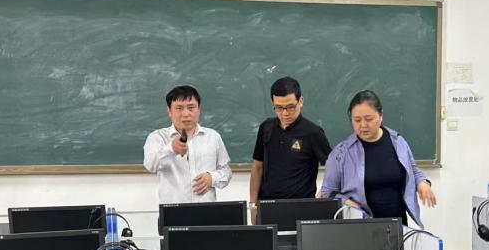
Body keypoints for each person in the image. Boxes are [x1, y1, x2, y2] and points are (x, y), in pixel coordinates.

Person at [320, 90, 436, 228]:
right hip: (360, 228)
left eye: (369, 119)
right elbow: (327, 193)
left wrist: (422, 183)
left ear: (381, 116)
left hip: (398, 226)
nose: (363, 125)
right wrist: (345, 201)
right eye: (357, 120)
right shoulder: (341, 153)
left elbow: (412, 169)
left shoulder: (398, 142)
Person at [249, 77, 332, 220]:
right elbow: (257, 167)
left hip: (301, 210)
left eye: (290, 107)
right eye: (279, 108)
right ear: (272, 103)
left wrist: (322, 195)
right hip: (267, 208)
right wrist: (252, 204)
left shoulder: (313, 132)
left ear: (301, 101)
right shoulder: (266, 128)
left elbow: (334, 168)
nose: (285, 113)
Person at [143, 85, 231, 204]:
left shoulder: (213, 137)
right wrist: (171, 149)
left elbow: (226, 171)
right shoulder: (157, 137)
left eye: (191, 107)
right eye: (179, 108)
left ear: (199, 109)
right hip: (173, 210)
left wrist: (212, 178)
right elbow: (150, 165)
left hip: (207, 209)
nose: (186, 114)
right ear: (169, 111)